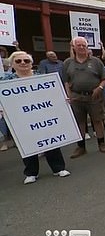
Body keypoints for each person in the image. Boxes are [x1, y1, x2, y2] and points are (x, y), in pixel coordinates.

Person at [1, 51, 71, 184]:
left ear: (31, 63)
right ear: (12, 64)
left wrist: (63, 100)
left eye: (26, 61)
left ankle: (58, 168)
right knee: (28, 143)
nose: (23, 63)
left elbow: (53, 95)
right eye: (19, 61)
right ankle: (31, 172)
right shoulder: (6, 82)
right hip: (22, 119)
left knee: (51, 140)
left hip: (44, 116)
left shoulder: (42, 77)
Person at [62, 36, 105, 158]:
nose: (82, 47)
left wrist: (99, 88)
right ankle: (81, 147)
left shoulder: (96, 61)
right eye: (79, 45)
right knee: (80, 122)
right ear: (73, 47)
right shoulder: (68, 63)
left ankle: (101, 143)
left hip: (94, 96)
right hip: (77, 97)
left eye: (84, 45)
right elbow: (66, 81)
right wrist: (69, 95)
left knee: (97, 120)